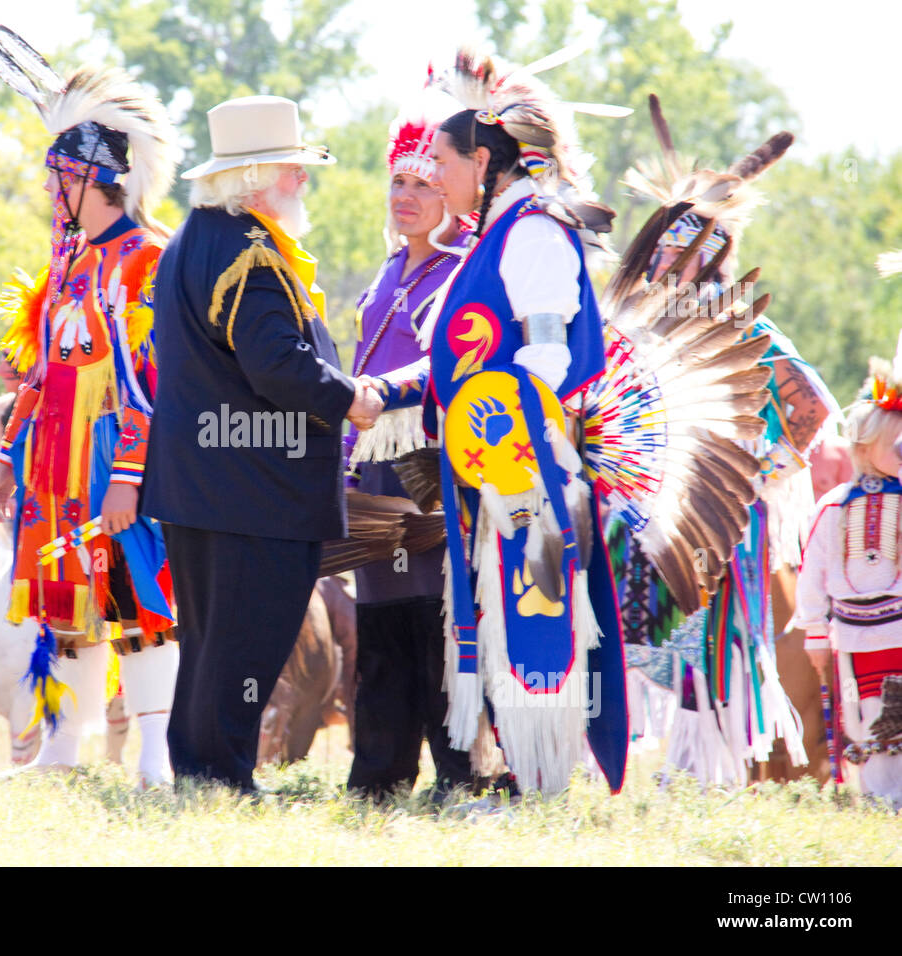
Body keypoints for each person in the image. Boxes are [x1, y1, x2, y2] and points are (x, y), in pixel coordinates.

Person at [141, 95, 383, 792]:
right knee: (246, 644)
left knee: (213, 643)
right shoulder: (248, 251)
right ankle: (221, 778)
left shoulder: (194, 237)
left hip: (205, 481)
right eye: (292, 169)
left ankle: (203, 771)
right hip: (251, 489)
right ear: (253, 177)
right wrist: (351, 399)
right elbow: (276, 363)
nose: (303, 181)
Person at [415, 47, 629, 796]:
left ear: (483, 160)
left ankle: (540, 778)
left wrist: (501, 435)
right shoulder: (495, 234)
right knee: (498, 609)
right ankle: (519, 769)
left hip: (525, 469)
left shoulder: (533, 231)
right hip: (495, 466)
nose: (430, 173)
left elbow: (547, 354)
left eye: (439, 158)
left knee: (530, 610)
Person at [607, 98, 834, 783]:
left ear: (709, 264)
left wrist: (755, 470)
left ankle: (707, 777)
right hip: (634, 509)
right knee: (627, 638)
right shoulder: (629, 326)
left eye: (681, 261)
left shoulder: (738, 328)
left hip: (716, 519)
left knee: (711, 647)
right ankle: (611, 762)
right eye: (659, 258)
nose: (666, 272)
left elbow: (811, 405)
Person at [0, 35, 182, 786]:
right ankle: (62, 753)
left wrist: (128, 476)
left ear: (91, 180)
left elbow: (150, 382)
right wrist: (4, 462)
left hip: (114, 460)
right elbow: (37, 373)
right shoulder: (65, 266)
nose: (47, 192)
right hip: (53, 463)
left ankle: (155, 759)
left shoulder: (145, 260)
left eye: (55, 177)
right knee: (63, 602)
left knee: (135, 600)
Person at [341, 85, 483, 801]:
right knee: (380, 612)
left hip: (429, 459)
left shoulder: (465, 270)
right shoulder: (389, 271)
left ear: (453, 195)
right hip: (372, 464)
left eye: (425, 183)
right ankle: (379, 773)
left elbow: (453, 362)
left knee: (434, 611)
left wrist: (385, 392)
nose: (407, 194)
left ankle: (459, 773)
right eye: (399, 180)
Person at [794, 352, 902, 806]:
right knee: (866, 715)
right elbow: (812, 572)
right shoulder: (834, 506)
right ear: (863, 449)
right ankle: (877, 796)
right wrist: (815, 632)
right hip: (853, 639)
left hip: (898, 628)